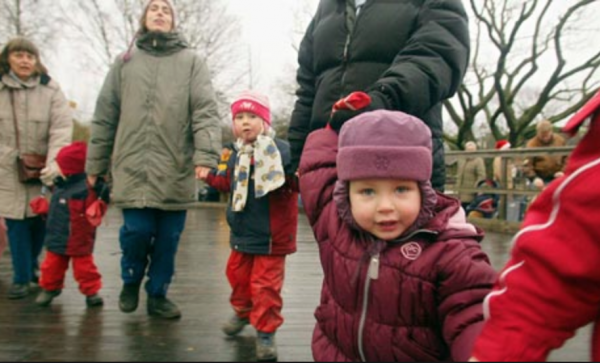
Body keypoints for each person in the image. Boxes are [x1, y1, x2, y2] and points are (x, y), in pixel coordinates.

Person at [298, 105, 497, 361]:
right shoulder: (334, 221)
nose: (385, 207)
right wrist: (331, 127)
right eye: (367, 192)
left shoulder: (449, 249)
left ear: (424, 192)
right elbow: (316, 171)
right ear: (345, 194)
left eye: (401, 189)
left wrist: (481, 352)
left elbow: (473, 309)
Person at [85, 0, 222, 319]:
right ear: (144, 19)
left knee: (168, 239)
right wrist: (95, 165)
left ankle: (157, 293)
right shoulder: (124, 62)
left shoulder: (192, 62)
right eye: (153, 8)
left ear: (173, 21)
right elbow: (104, 116)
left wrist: (206, 154)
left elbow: (205, 110)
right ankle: (130, 280)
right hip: (132, 167)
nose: (159, 12)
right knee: (135, 231)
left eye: (166, 9)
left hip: (175, 167)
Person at [469, 90, 600, 361]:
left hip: (558, 175)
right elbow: (551, 279)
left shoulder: (562, 142)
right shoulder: (531, 145)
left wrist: (562, 172)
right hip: (541, 179)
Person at [288, 0, 471, 191]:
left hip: (403, 164)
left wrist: (383, 100)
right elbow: (308, 90)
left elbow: (437, 56)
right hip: (328, 166)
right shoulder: (327, 7)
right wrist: (296, 157)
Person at [199, 90, 298, 362]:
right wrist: (208, 175)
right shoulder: (233, 153)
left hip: (271, 235)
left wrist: (298, 175)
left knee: (265, 287)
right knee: (238, 277)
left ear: (265, 122)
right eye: (239, 117)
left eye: (252, 116)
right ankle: (243, 312)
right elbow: (227, 183)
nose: (245, 122)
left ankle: (265, 332)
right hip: (242, 232)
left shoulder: (281, 150)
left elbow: (294, 181)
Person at [0, 37, 73, 299]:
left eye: (29, 56)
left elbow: (62, 128)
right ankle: (21, 277)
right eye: (18, 55)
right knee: (16, 221)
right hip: (6, 169)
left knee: (40, 219)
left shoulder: (51, 89)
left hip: (43, 169)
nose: (24, 60)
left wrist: (55, 161)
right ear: (8, 58)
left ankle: (31, 267)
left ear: (36, 60)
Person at [34, 142, 109, 308]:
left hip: (80, 238)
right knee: (51, 267)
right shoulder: (59, 185)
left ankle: (91, 292)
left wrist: (100, 185)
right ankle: (50, 288)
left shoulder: (90, 187)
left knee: (85, 269)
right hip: (56, 235)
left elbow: (104, 194)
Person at [523, 119, 567, 185]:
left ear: (551, 131)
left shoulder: (560, 140)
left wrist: (563, 171)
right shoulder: (531, 144)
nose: (545, 138)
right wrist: (534, 178)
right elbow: (527, 164)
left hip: (558, 175)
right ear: (538, 133)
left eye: (547, 135)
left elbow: (567, 158)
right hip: (540, 177)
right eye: (542, 136)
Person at [455, 141, 486, 211]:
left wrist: (476, 189)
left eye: (471, 150)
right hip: (461, 192)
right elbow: (459, 175)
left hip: (472, 193)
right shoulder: (461, 160)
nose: (469, 152)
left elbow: (481, 176)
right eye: (468, 149)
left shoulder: (478, 160)